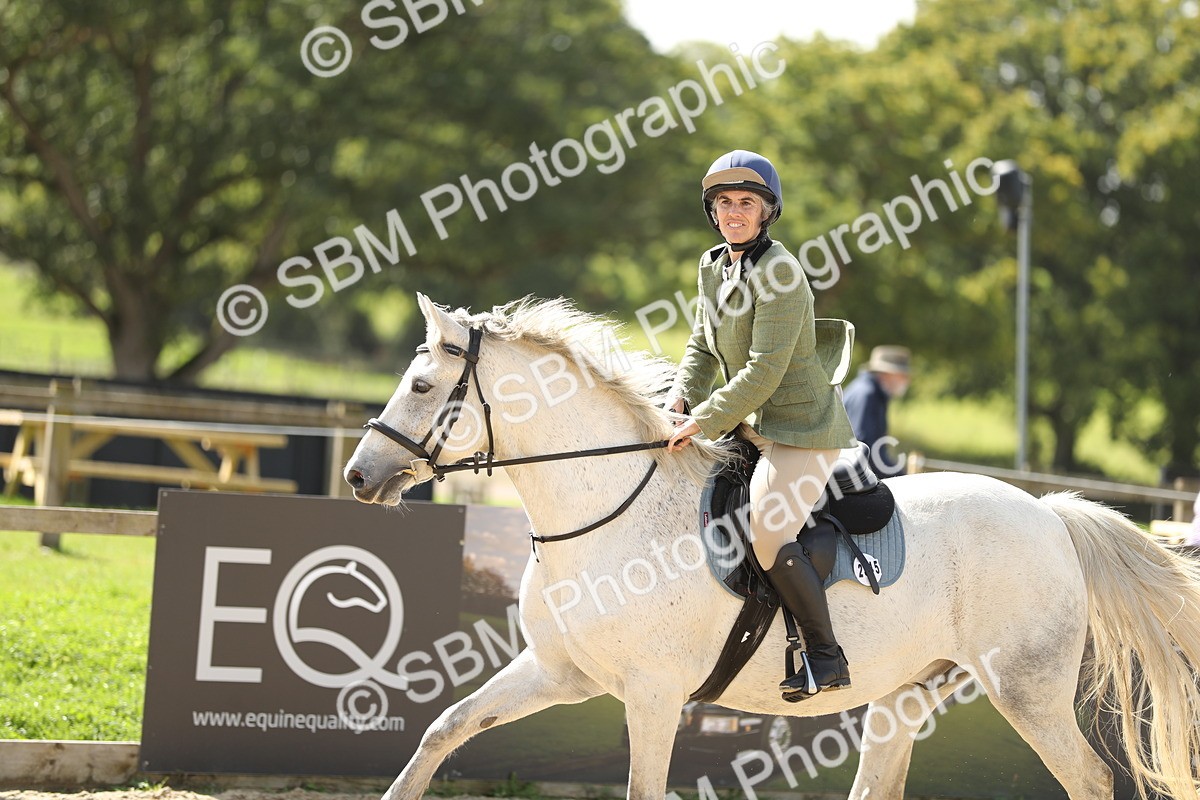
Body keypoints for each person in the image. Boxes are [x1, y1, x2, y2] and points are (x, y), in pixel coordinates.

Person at [664, 150, 857, 700]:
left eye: (746, 202)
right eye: (723, 202)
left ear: (768, 211)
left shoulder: (780, 272)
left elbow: (764, 370)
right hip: (743, 423)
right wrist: (680, 400)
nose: (733, 212)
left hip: (798, 428)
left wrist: (701, 421)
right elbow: (702, 344)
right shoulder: (712, 264)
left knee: (769, 530)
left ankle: (825, 655)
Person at [841, 345, 911, 477]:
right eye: (903, 375)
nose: (906, 381)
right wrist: (899, 477)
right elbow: (865, 447)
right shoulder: (867, 395)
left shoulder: (869, 392)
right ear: (887, 374)